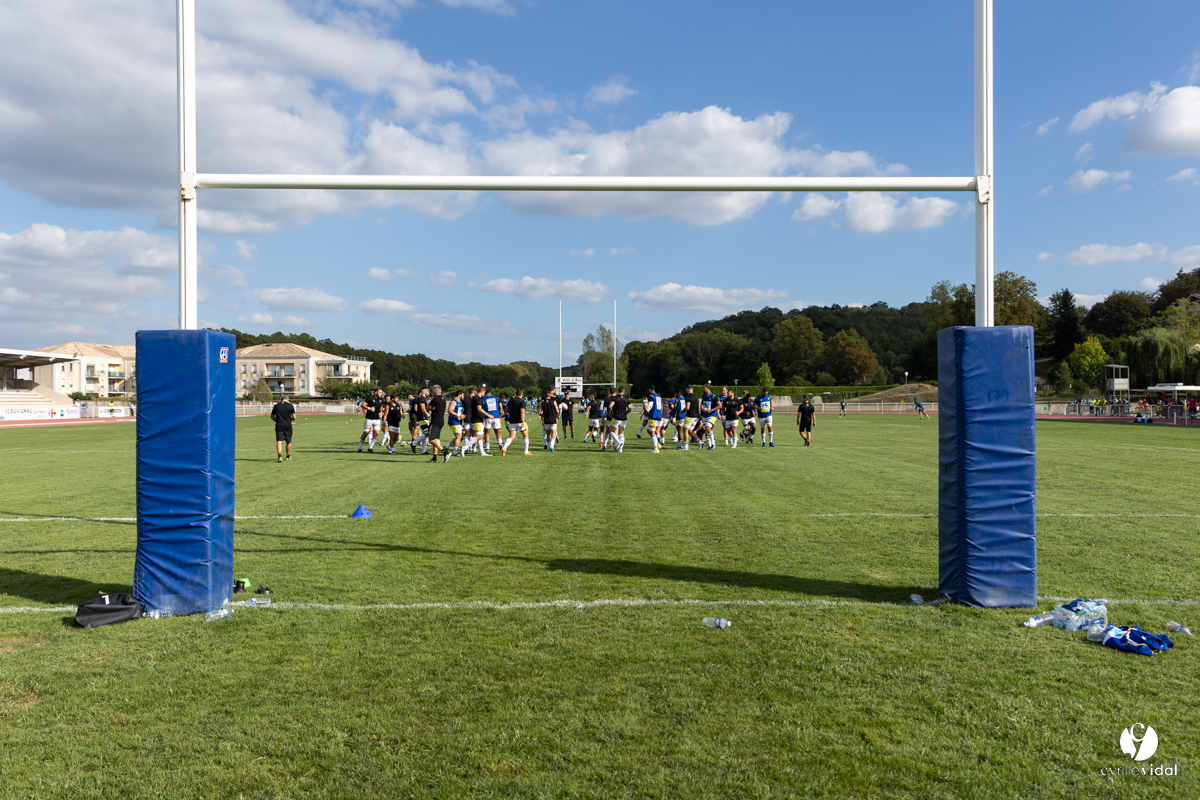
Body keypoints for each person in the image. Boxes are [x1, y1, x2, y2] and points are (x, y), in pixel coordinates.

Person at [502, 388, 531, 456]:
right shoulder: (522, 401)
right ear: (522, 394)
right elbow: (522, 411)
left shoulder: (511, 400)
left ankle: (504, 447)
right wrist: (523, 421)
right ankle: (526, 452)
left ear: (516, 394)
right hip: (519, 421)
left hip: (512, 421)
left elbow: (506, 408)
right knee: (526, 435)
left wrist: (508, 412)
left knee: (511, 436)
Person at [271, 393, 296, 462]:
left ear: (281, 399)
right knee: (288, 441)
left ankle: (279, 456)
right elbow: (294, 417)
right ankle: (288, 456)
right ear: (287, 399)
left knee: (279, 441)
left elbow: (271, 416)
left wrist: (276, 420)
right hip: (287, 425)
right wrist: (290, 420)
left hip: (279, 425)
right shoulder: (290, 406)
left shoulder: (276, 406)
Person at [425, 385, 448, 463]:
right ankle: (434, 458)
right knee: (435, 440)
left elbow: (427, 408)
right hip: (441, 421)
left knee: (431, 440)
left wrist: (430, 406)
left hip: (435, 421)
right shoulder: (443, 399)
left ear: (434, 391)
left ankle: (445, 452)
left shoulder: (435, 399)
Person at [358, 388, 385, 453]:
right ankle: (360, 447)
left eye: (381, 392)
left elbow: (381, 407)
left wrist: (381, 412)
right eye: (380, 392)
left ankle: (370, 447)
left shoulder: (381, 399)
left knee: (377, 433)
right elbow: (362, 405)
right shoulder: (370, 398)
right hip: (369, 418)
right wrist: (369, 408)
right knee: (365, 433)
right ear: (376, 392)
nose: (381, 394)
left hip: (377, 419)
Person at [607, 386, 631, 452]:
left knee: (610, 431)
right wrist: (626, 413)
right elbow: (630, 408)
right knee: (621, 433)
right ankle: (620, 450)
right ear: (624, 391)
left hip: (616, 417)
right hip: (624, 418)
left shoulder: (615, 398)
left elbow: (610, 406)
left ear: (618, 391)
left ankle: (618, 442)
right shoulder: (626, 398)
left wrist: (609, 413)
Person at [480, 386, 501, 455]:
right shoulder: (496, 398)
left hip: (487, 417)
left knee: (487, 433)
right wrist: (500, 415)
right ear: (491, 391)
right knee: (498, 432)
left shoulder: (483, 399)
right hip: (496, 417)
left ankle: (487, 448)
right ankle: (500, 444)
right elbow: (501, 407)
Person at [699, 382, 720, 450]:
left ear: (707, 388)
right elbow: (702, 404)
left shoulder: (713, 396)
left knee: (708, 427)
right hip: (705, 415)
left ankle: (713, 444)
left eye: (703, 387)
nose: (702, 389)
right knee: (706, 430)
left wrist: (711, 410)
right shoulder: (703, 396)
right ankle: (710, 445)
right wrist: (701, 407)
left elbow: (720, 405)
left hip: (712, 415)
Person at [679, 385, 700, 450]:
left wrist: (681, 412)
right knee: (690, 431)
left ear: (687, 389)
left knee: (685, 430)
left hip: (690, 416)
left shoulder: (688, 397)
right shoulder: (696, 396)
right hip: (696, 417)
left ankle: (686, 447)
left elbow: (687, 407)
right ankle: (700, 442)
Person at [644, 385, 664, 453]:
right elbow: (661, 407)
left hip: (653, 416)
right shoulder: (659, 396)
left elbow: (650, 405)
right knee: (649, 430)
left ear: (650, 389)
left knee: (652, 432)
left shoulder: (651, 396)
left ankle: (656, 449)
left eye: (648, 389)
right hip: (659, 416)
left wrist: (643, 414)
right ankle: (657, 444)